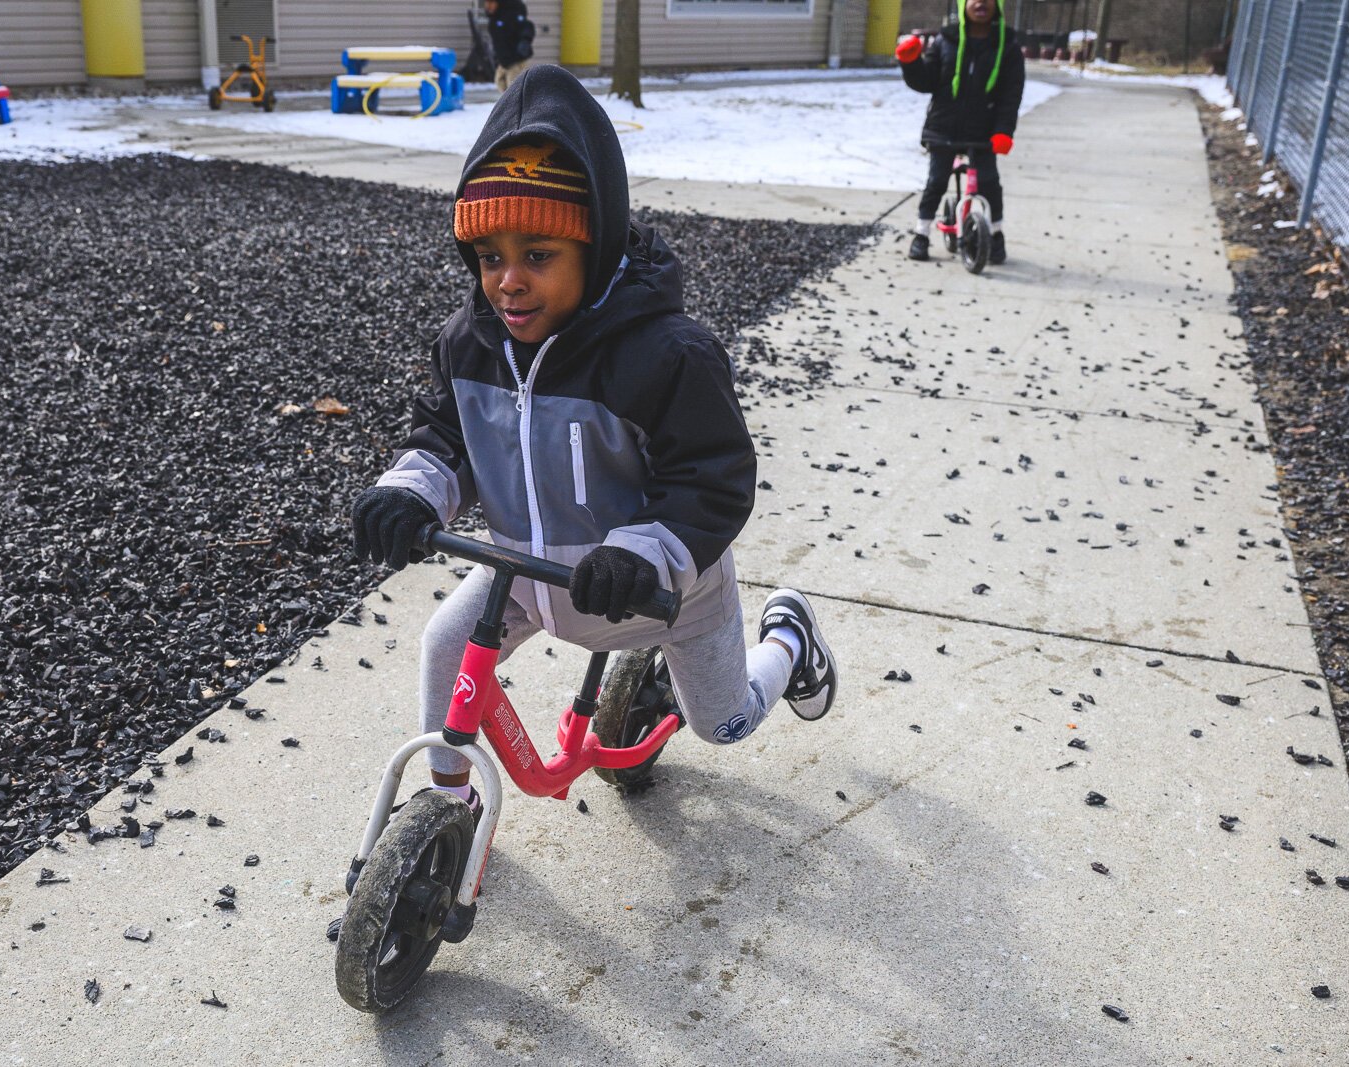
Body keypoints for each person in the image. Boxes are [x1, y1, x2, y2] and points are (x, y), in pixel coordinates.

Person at [349, 65, 841, 817]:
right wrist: (410, 491)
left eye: (538, 255)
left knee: (724, 721)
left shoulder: (667, 355)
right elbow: (447, 437)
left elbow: (712, 478)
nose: (507, 281)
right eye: (489, 257)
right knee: (444, 645)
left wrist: (647, 550)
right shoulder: (470, 344)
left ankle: (790, 644)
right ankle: (446, 811)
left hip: (661, 584)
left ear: (596, 243)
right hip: (530, 569)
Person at [896, 0, 1025, 264]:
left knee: (989, 182)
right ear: (964, 4)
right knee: (936, 181)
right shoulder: (946, 40)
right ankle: (921, 234)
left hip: (984, 132)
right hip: (944, 128)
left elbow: (1011, 95)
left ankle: (996, 234)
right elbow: (926, 81)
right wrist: (911, 63)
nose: (981, 3)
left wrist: (1003, 131)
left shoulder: (1008, 46)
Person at [484, 0, 536, 92]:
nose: (488, 6)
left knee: (515, 91)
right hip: (503, 61)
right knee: (500, 83)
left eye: (491, 3)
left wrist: (525, 40)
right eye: (486, 3)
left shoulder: (511, 15)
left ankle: (517, 105)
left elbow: (527, 27)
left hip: (516, 61)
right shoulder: (494, 19)